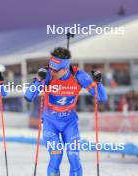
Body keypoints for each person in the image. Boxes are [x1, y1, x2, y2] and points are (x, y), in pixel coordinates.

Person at [24, 47, 108, 176]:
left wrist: (98, 82)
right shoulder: (47, 75)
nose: (52, 72)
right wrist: (39, 80)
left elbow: (102, 97)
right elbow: (28, 97)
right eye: (50, 68)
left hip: (70, 123)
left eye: (55, 70)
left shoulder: (79, 76)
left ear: (65, 68)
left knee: (73, 156)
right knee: (56, 155)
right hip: (50, 123)